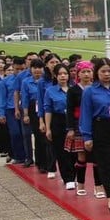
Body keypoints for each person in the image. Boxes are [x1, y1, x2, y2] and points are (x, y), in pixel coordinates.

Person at [80, 58, 110, 213]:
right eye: (103, 71)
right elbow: (85, 114)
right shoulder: (90, 91)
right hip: (100, 126)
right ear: (96, 73)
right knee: (105, 163)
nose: (106, 74)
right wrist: (87, 136)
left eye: (109, 71)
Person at [41, 63, 74, 191]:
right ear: (55, 75)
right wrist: (48, 127)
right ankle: (68, 178)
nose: (63, 76)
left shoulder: (74, 89)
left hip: (72, 121)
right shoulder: (50, 91)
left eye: (65, 73)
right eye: (60, 74)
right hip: (58, 120)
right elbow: (47, 110)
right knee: (61, 151)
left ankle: (74, 175)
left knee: (73, 152)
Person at [66, 61, 93, 195]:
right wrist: (70, 128)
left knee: (96, 156)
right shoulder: (73, 90)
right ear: (78, 74)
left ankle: (99, 186)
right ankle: (81, 184)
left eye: (88, 71)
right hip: (78, 124)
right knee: (81, 155)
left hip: (94, 123)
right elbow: (70, 110)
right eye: (83, 72)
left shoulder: (95, 88)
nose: (86, 74)